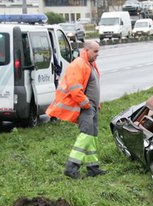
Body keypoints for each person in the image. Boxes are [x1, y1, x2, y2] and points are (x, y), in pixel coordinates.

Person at [46, 41, 107, 179]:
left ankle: (93, 168)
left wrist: (96, 104)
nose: (98, 54)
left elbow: (91, 86)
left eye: (98, 51)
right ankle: (71, 168)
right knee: (85, 135)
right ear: (86, 50)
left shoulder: (90, 64)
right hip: (86, 107)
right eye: (95, 51)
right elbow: (75, 89)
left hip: (91, 107)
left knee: (91, 137)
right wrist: (86, 104)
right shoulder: (79, 64)